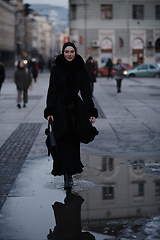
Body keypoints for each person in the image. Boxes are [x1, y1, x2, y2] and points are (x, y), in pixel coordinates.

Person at [44, 42, 98, 189]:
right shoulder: (56, 69)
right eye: (66, 51)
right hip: (60, 110)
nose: (69, 54)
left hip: (76, 110)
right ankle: (67, 176)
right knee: (63, 142)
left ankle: (70, 173)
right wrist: (49, 111)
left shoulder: (81, 68)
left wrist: (91, 111)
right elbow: (52, 91)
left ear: (75, 52)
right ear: (63, 53)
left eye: (72, 51)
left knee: (74, 142)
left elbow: (86, 93)